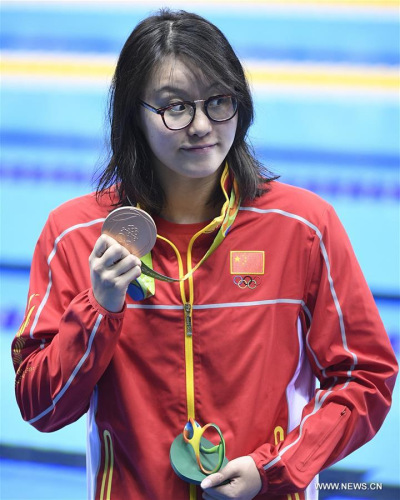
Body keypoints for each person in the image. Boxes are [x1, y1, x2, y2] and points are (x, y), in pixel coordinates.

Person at [12, 8, 398, 500]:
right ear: (135, 113)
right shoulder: (76, 233)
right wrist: (98, 309)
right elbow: (42, 409)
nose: (201, 125)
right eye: (176, 107)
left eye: (219, 101)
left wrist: (276, 468)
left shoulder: (302, 226)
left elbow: (366, 376)